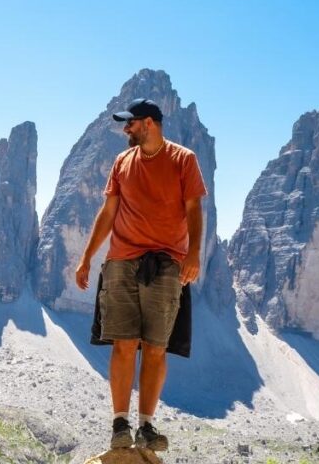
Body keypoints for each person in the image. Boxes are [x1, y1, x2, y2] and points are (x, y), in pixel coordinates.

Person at [74, 98, 206, 452]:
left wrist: (194, 253)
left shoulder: (184, 159)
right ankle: (120, 423)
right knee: (122, 344)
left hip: (166, 264)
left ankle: (146, 426)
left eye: (130, 123)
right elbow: (109, 211)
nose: (125, 129)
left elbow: (194, 207)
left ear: (148, 123)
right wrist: (87, 256)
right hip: (121, 261)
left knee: (156, 348)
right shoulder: (122, 162)